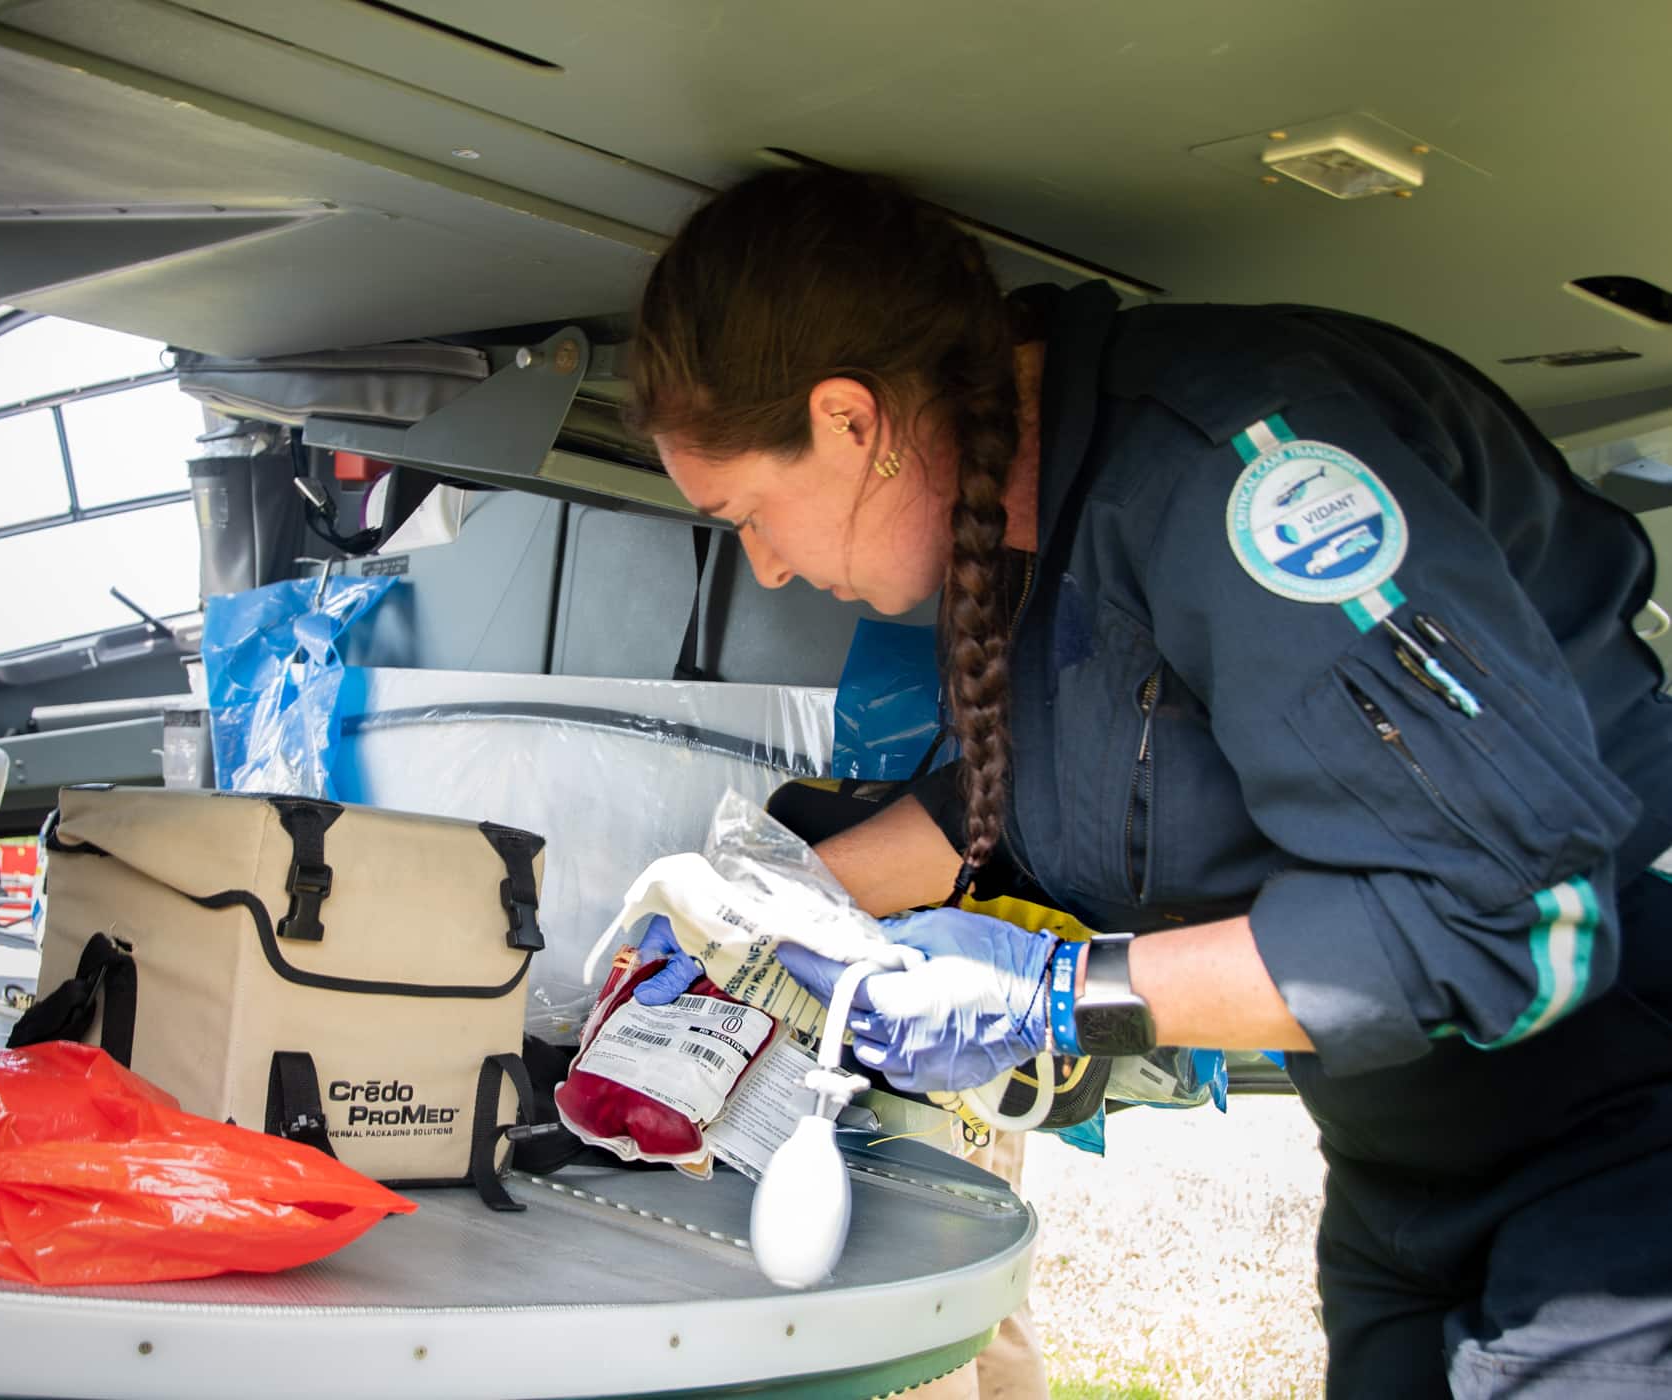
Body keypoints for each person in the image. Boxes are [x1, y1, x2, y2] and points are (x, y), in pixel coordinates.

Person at [622, 167, 1672, 1398]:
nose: (770, 566)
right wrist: (747, 921)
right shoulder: (1032, 521)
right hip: (1405, 1172)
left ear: (851, 420)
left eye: (748, 511)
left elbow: (1507, 921)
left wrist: (1057, 996)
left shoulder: (1240, 473)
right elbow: (1011, 801)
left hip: (1620, 1147)